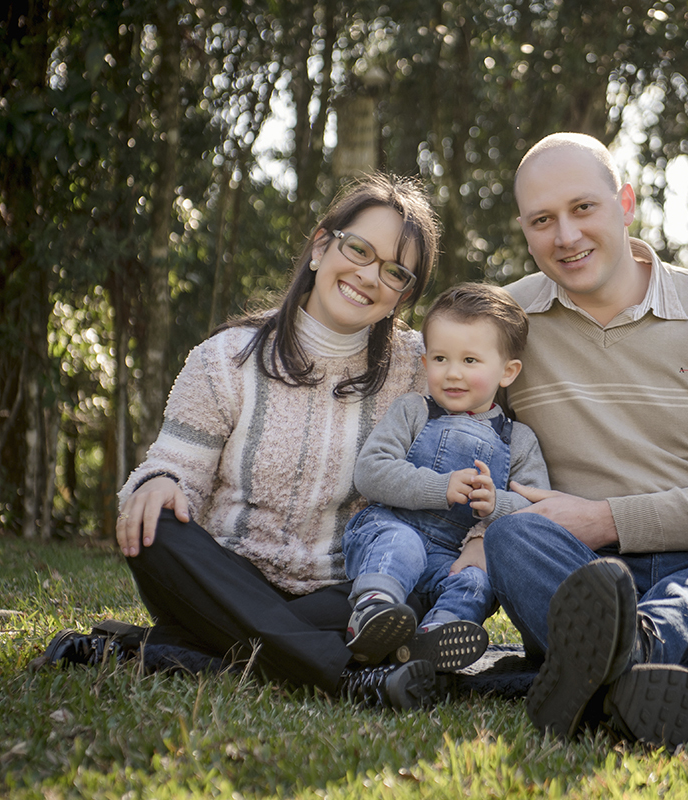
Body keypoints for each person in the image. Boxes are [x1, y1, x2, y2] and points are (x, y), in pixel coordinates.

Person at [36, 173, 446, 711]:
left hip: (342, 593)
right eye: (359, 250)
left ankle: (151, 651)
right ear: (321, 247)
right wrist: (159, 482)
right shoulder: (226, 358)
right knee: (156, 524)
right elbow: (174, 467)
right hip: (225, 578)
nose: (369, 275)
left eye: (394, 271)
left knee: (408, 594)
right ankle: (345, 674)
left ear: (402, 296)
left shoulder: (419, 370)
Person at [483, 133, 688, 750]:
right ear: (524, 230)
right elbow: (443, 404)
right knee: (512, 537)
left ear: (626, 202)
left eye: (584, 208)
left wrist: (607, 518)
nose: (566, 236)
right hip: (579, 578)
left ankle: (633, 649)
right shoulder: (506, 321)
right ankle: (684, 685)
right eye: (542, 220)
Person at [342, 283, 549, 670]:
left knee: (476, 580)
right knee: (401, 544)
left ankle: (438, 634)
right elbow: (370, 471)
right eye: (440, 358)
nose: (453, 373)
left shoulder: (518, 439)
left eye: (470, 360)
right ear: (425, 363)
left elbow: (536, 506)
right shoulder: (413, 411)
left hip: (451, 555)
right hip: (391, 527)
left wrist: (496, 504)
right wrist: (440, 487)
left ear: (508, 371)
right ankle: (373, 613)